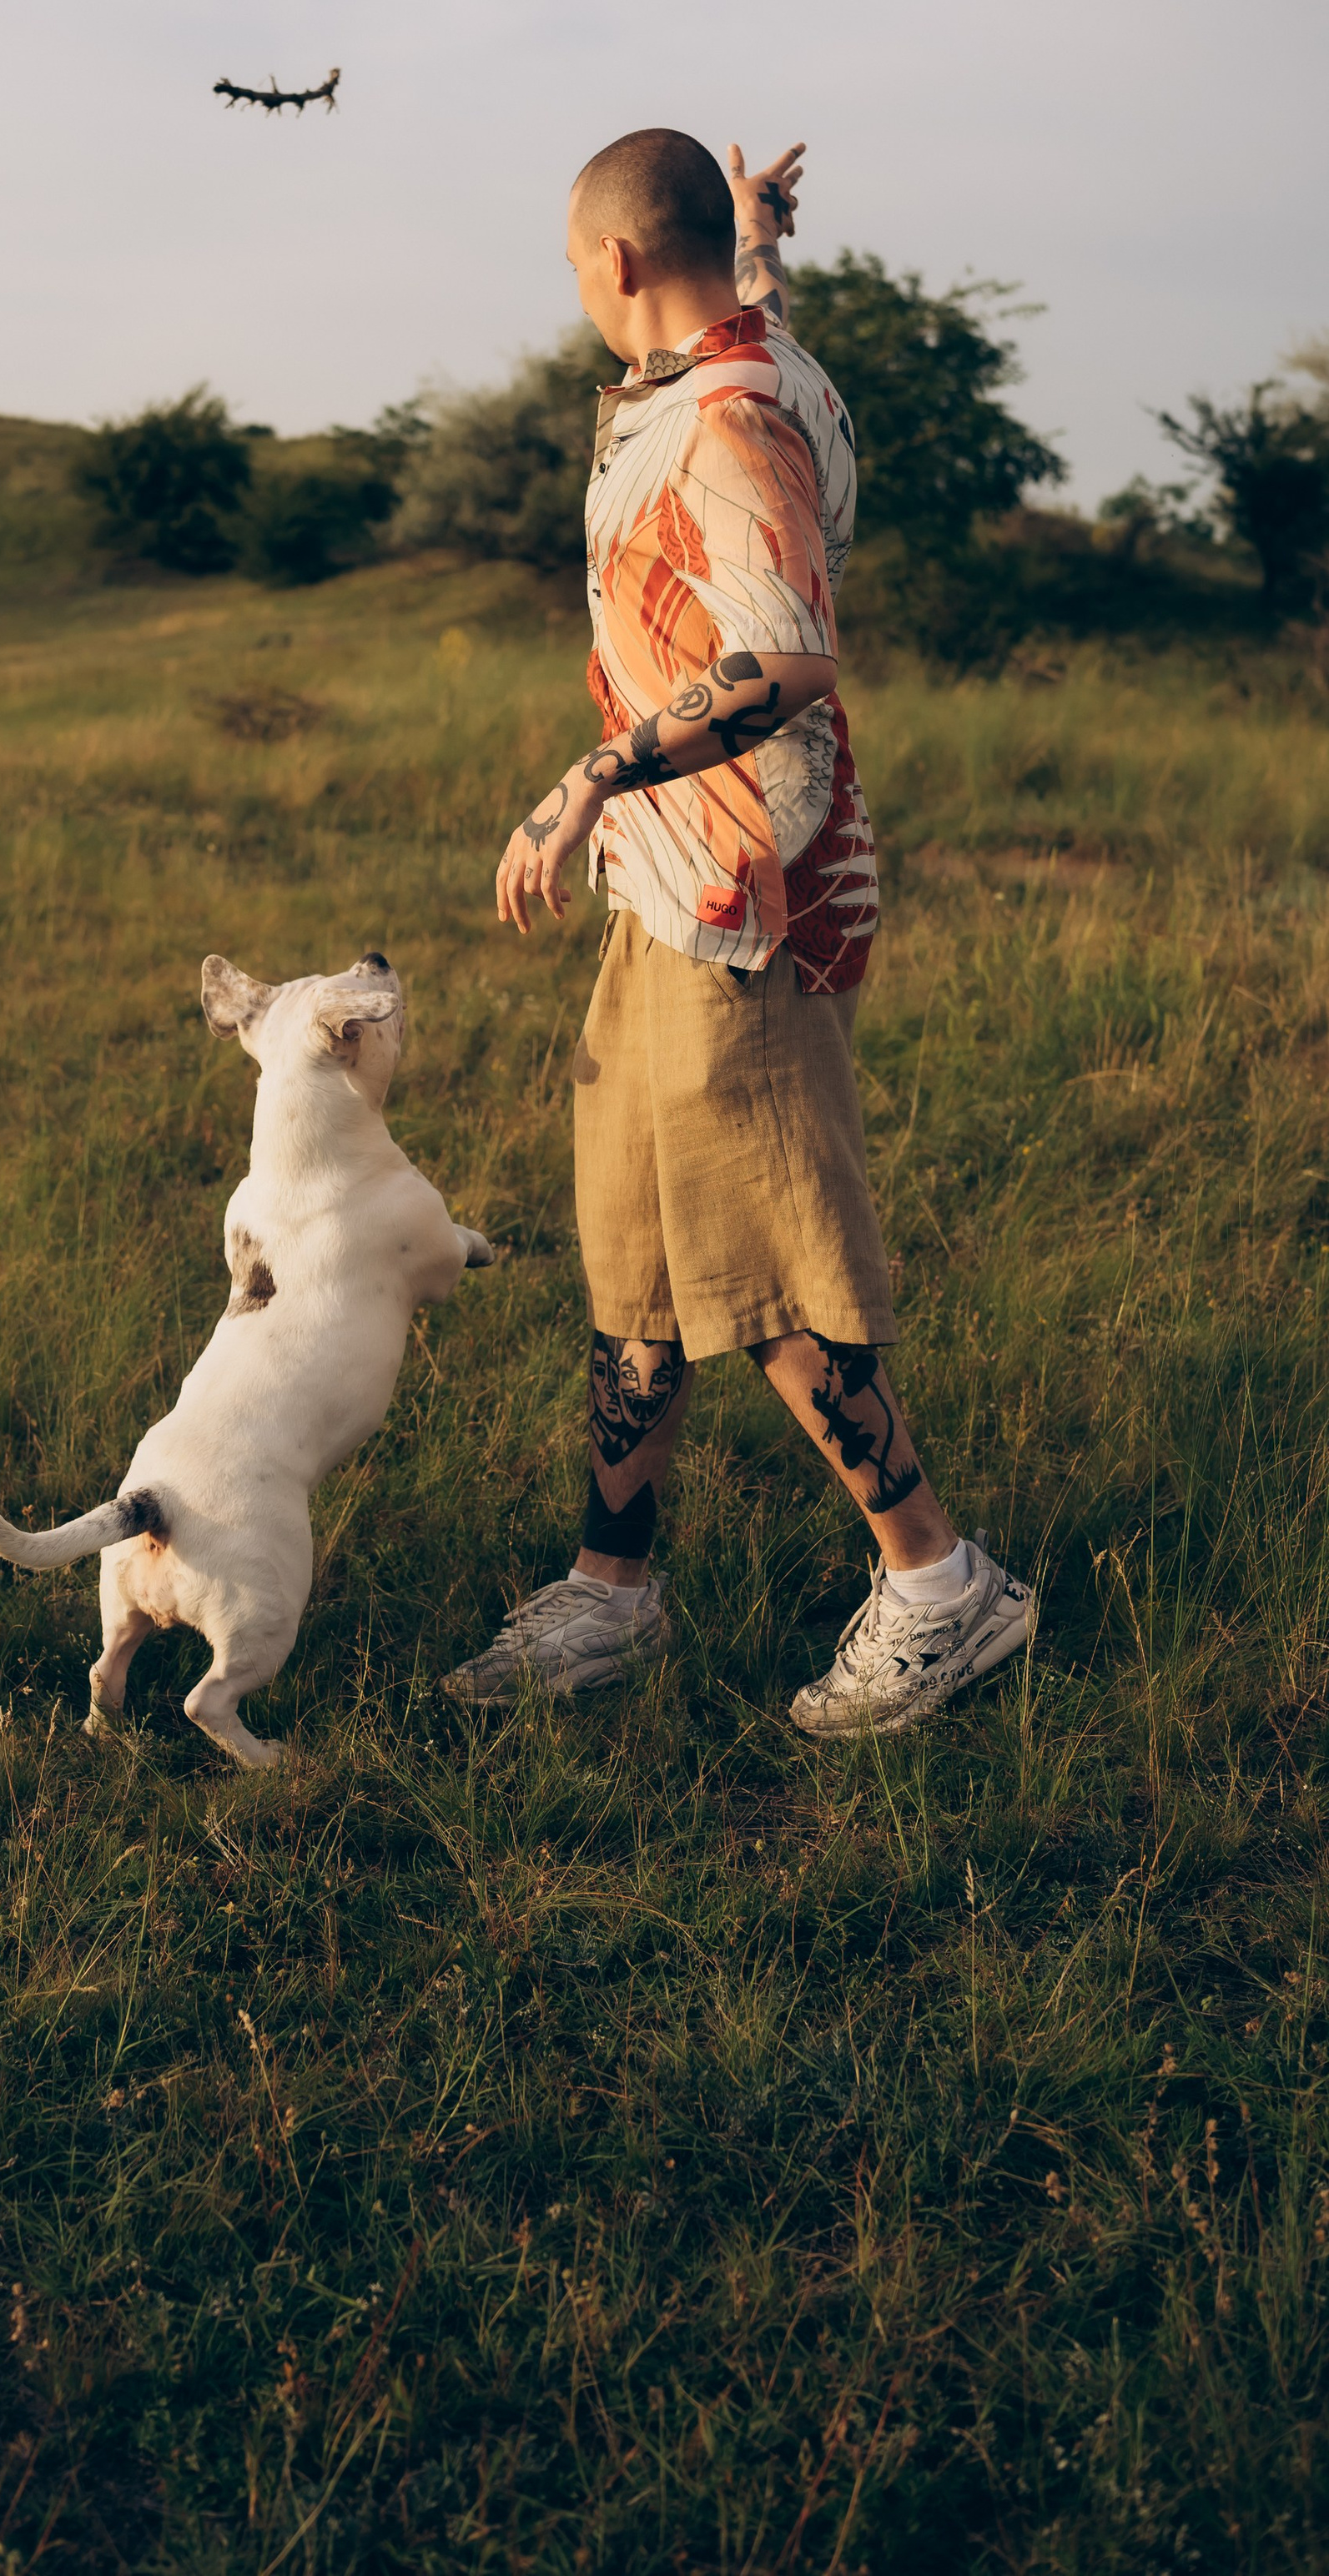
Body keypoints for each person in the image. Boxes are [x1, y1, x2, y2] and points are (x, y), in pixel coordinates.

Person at [443, 128, 1034, 1735]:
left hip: (741, 896)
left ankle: (941, 1587)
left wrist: (586, 779)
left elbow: (786, 660)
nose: (573, 287)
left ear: (620, 261)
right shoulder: (744, 345)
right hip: (666, 890)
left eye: (576, 261)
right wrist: (761, 233)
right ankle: (609, 1595)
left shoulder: (730, 423)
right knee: (637, 1257)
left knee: (760, 1263)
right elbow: (753, 292)